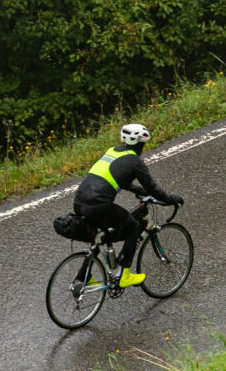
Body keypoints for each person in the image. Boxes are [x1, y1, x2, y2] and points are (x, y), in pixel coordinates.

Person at [73, 123, 182, 287]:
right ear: (140, 143)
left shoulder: (112, 151)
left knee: (101, 235)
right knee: (133, 227)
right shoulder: (135, 161)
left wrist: (137, 190)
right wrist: (171, 199)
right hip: (99, 205)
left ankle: (84, 276)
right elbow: (153, 188)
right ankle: (124, 275)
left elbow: (116, 177)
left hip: (79, 202)